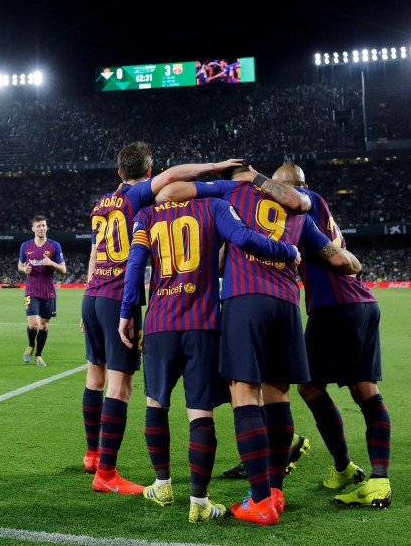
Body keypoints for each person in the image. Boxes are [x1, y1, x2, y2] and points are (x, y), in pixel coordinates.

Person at [157, 164, 360, 525]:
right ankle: (275, 492)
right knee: (278, 394)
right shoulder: (301, 214)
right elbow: (343, 261)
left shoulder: (233, 191)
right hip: (286, 305)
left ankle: (261, 500)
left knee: (244, 393)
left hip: (245, 300)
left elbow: (170, 192)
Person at [121, 191, 300, 523]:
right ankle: (199, 502)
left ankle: (162, 485)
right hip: (202, 323)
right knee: (200, 413)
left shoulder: (146, 215)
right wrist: (287, 250)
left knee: (155, 404)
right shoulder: (213, 206)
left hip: (159, 322)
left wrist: (128, 310)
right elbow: (243, 237)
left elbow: (135, 263)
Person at [80, 140, 244, 496]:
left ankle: (93, 454)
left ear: (118, 171)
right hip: (115, 294)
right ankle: (106, 472)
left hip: (92, 294)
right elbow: (172, 177)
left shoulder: (100, 205)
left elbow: (94, 251)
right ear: (147, 173)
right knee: (119, 386)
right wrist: (213, 165)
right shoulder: (136, 197)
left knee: (95, 376)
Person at [271, 161, 393, 509]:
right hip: (362, 304)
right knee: (364, 390)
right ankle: (377, 480)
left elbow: (334, 258)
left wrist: (253, 179)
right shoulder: (315, 210)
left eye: (278, 190)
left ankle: (344, 467)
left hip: (335, 307)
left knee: (309, 387)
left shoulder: (304, 203)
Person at [18, 215, 66, 367]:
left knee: (44, 326)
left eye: (44, 226)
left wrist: (51, 263)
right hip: (31, 290)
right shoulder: (26, 246)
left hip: (48, 292)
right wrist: (24, 268)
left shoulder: (54, 246)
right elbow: (19, 265)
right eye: (38, 226)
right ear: (33, 228)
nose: (42, 228)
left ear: (47, 227)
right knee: (32, 323)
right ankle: (31, 344)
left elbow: (63, 270)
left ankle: (38, 355)